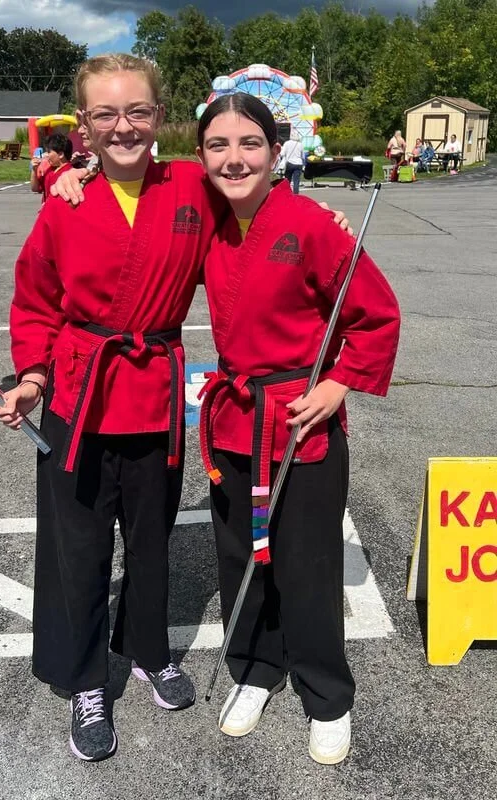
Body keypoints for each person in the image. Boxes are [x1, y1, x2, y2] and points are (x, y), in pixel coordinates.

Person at [0, 53, 353, 765]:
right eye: (105, 114)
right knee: (79, 548)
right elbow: (35, 298)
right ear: (85, 127)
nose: (122, 126)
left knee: (151, 542)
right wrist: (32, 376)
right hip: (79, 394)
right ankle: (86, 680)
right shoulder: (65, 203)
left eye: (137, 111)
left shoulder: (192, 183)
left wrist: (320, 214)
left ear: (160, 117)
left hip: (153, 395)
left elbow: (259, 199)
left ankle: (149, 653)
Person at [195, 94, 400, 764]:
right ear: (201, 156)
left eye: (249, 143)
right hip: (234, 423)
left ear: (275, 151)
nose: (234, 157)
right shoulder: (208, 222)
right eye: (218, 144)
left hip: (299, 427)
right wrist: (74, 174)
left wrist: (339, 381)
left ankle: (326, 694)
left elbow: (376, 314)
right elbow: (134, 173)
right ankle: (256, 667)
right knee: (242, 553)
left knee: (306, 564)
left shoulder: (311, 224)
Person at [30, 133, 73, 202]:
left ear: (60, 154)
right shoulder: (49, 170)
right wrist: (34, 170)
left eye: (49, 152)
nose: (46, 155)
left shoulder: (70, 173)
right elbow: (35, 188)